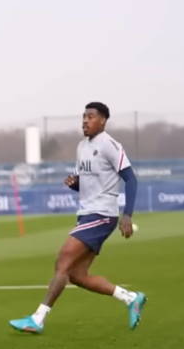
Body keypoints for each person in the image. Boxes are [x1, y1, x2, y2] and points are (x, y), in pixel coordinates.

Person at [9, 102, 146, 334]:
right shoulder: (82, 147)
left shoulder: (110, 145)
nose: (85, 120)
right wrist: (77, 185)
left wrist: (128, 214)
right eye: (84, 116)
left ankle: (38, 318)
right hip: (86, 214)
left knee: (63, 260)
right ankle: (131, 298)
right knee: (76, 275)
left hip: (102, 214)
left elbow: (131, 179)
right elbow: (90, 184)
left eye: (91, 116)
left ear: (102, 121)